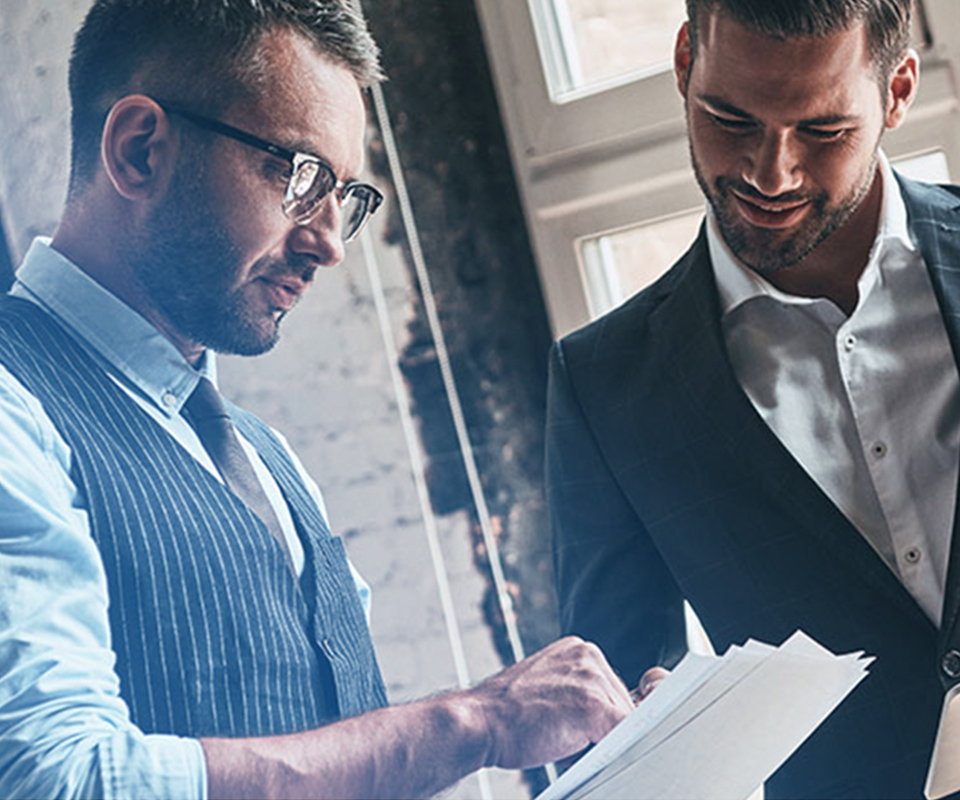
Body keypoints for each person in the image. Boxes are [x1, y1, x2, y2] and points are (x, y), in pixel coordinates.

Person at [0, 1, 636, 797]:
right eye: (299, 177)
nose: (330, 243)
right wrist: (475, 722)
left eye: (345, 196)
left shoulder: (268, 458)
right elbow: (52, 779)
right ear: (140, 151)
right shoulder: (12, 408)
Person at [547, 0, 959, 797]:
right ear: (683, 64)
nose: (771, 174)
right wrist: (657, 742)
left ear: (898, 91)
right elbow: (604, 732)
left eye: (823, 131)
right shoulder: (605, 387)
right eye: (729, 119)